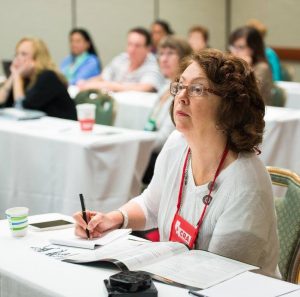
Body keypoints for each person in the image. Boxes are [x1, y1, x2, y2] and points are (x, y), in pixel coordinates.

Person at [74, 49, 280, 278]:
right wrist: (114, 218)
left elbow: (221, 277)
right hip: (177, 280)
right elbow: (151, 205)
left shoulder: (245, 183)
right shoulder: (177, 144)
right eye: (180, 86)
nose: (181, 96)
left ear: (229, 107)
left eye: (197, 89)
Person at [143, 35, 192, 184]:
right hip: (152, 151)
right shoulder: (165, 88)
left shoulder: (182, 93)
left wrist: (137, 143)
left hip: (169, 158)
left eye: (170, 53)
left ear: (184, 58)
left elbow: (164, 140)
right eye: (161, 53)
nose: (164, 59)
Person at [0, 37, 77, 120]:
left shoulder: (48, 77)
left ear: (37, 59)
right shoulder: (24, 79)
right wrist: (13, 77)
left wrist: (16, 76)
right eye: (16, 54)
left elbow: (22, 110)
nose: (17, 59)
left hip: (63, 129)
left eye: (23, 54)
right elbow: (2, 103)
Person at [78, 27, 164, 92]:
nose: (132, 50)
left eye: (137, 46)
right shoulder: (122, 58)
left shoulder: (154, 64)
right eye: (130, 44)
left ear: (148, 49)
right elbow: (103, 77)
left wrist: (111, 86)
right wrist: (86, 83)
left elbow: (146, 87)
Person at [229, 26, 273, 105]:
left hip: (257, 112)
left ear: (253, 48)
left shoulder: (262, 68)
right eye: (233, 47)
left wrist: (245, 68)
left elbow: (248, 96)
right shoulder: (233, 65)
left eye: (240, 47)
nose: (235, 52)